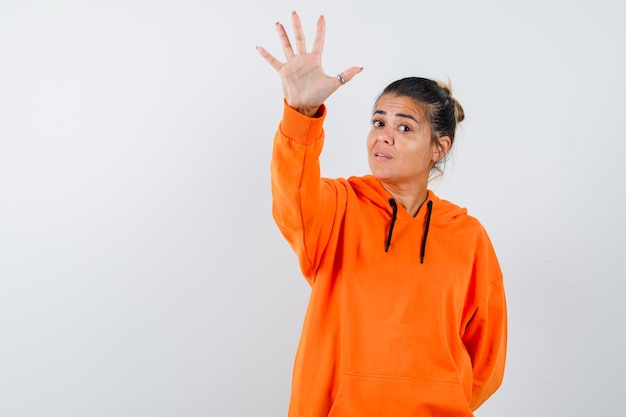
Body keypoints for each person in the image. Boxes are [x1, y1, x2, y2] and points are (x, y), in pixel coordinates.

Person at [256, 12, 507, 417]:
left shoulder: (468, 236)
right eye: (378, 122)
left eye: (405, 127)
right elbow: (292, 198)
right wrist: (301, 114)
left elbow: (487, 361)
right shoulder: (338, 207)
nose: (384, 136)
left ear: (438, 148)